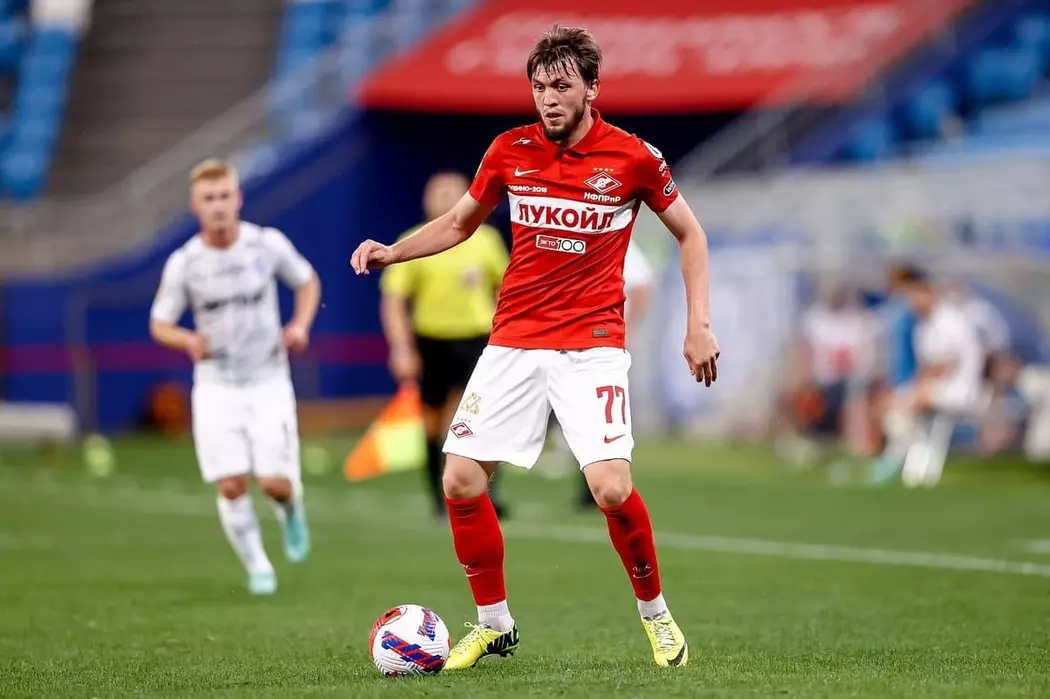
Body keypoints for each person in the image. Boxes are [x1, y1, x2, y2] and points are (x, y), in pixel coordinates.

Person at [351, 25, 719, 669]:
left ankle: (657, 616)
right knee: (460, 479)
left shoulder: (633, 157)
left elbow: (691, 234)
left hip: (592, 347)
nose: (548, 98)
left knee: (610, 488)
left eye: (562, 86)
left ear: (592, 89)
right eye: (539, 86)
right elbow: (460, 222)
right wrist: (393, 252)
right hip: (513, 343)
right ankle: (494, 624)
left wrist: (699, 325)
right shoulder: (509, 149)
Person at [150, 159, 321, 595]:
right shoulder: (185, 263)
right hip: (216, 385)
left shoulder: (266, 244)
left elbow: (307, 282)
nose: (218, 206)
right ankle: (258, 566)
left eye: (225, 196)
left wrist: (300, 326)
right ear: (195, 205)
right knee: (230, 484)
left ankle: (290, 508)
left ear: (238, 198)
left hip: (268, 380)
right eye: (209, 198)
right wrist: (187, 339)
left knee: (274, 484)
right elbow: (160, 323)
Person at [379, 171, 510, 519]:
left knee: (481, 416)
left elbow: (503, 288)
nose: (445, 198)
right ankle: (438, 497)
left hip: (477, 340)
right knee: (433, 420)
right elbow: (394, 300)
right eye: (438, 192)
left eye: (453, 191)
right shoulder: (413, 241)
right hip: (432, 341)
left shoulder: (486, 241)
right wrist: (401, 348)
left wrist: (507, 335)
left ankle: (488, 492)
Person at [870, 266, 985, 482]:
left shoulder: (949, 320)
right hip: (936, 387)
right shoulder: (923, 325)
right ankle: (909, 466)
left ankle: (893, 461)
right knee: (898, 409)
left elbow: (944, 366)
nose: (910, 303)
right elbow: (926, 368)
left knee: (902, 407)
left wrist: (914, 392)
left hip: (959, 388)